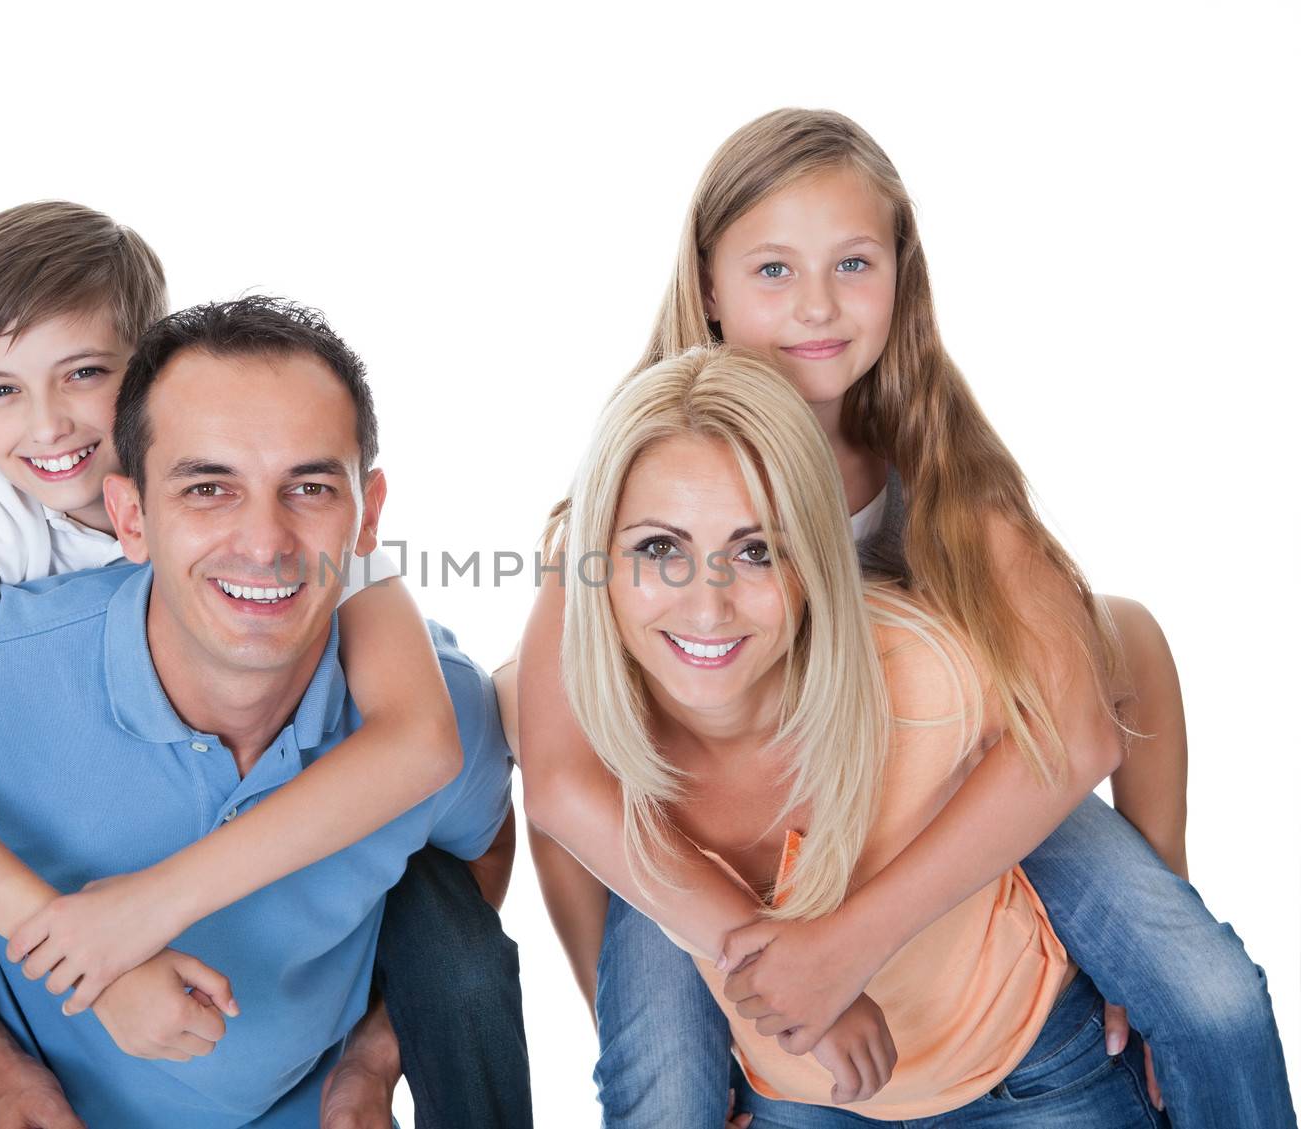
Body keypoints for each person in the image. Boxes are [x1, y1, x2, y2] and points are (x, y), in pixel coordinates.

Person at [513, 109, 1292, 1127]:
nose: (816, 309)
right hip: (722, 830)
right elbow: (563, 778)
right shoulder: (648, 470)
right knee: (662, 1081)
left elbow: (1112, 661)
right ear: (706, 282)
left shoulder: (943, 474)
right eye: (772, 271)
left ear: (900, 273)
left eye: (851, 264)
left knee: (1211, 998)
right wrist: (724, 967)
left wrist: (1151, 901)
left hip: (946, 793)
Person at [0, 295, 525, 1127]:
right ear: (130, 515)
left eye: (308, 487)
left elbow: (479, 845)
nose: (264, 541)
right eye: (208, 487)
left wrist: (377, 1059)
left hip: (314, 1109)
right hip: (51, 1112)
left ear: (367, 514)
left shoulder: (434, 703)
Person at [558, 342, 1169, 1122]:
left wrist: (1149, 926)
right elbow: (575, 853)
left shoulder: (922, 674)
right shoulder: (583, 731)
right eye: (658, 548)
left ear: (815, 558)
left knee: (1211, 1002)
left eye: (755, 550)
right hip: (801, 1101)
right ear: (596, 562)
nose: (707, 608)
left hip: (1027, 1071)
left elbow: (1130, 649)